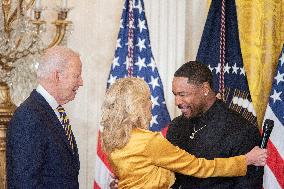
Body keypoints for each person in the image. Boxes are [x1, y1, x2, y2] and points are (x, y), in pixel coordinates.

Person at [101, 77, 267, 189]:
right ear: (136, 106)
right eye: (147, 98)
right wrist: (245, 160)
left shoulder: (111, 140)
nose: (151, 103)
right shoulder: (148, 141)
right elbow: (198, 167)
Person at [167, 61, 264, 188]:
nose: (177, 102)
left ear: (205, 89)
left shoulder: (242, 130)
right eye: (175, 94)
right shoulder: (177, 126)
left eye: (183, 94)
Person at [6, 46, 83, 189]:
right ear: (57, 76)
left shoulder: (52, 112)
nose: (81, 82)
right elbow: (25, 184)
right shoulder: (29, 116)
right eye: (76, 75)